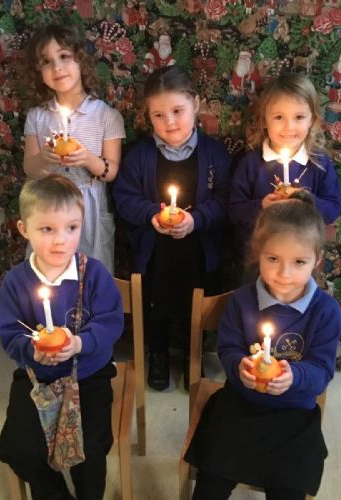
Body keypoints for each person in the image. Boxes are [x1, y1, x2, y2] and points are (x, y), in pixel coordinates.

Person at [185, 192, 341, 500]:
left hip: (293, 415)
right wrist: (239, 367)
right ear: (258, 253)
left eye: (299, 262)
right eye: (273, 259)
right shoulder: (241, 301)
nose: (284, 273)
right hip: (239, 407)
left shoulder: (325, 311)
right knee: (209, 486)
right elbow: (229, 349)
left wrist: (294, 377)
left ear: (318, 260)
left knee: (289, 490)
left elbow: (321, 371)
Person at [0, 174, 124, 500]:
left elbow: (111, 322)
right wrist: (33, 350)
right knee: (20, 449)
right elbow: (10, 334)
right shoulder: (15, 282)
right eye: (47, 229)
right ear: (24, 229)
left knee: (90, 450)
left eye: (72, 228)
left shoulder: (94, 274)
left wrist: (79, 343)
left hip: (90, 375)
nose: (61, 241)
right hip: (36, 376)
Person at [113, 65, 231, 391]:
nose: (170, 122)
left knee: (196, 302)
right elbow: (124, 198)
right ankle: (159, 353)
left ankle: (194, 354)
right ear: (148, 117)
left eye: (178, 111)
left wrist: (197, 219)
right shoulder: (139, 157)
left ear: (196, 104)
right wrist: (153, 214)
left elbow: (225, 200)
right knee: (156, 303)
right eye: (159, 115)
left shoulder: (215, 155)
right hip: (156, 252)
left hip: (198, 251)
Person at [23, 24, 125, 273]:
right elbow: (29, 168)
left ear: (80, 60)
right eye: (46, 62)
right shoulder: (37, 116)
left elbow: (111, 171)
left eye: (64, 56)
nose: (57, 67)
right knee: (50, 272)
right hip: (49, 205)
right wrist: (44, 158)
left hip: (88, 207)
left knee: (90, 275)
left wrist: (88, 159)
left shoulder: (106, 116)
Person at [229, 73, 341, 279]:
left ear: (312, 120)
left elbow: (333, 209)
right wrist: (262, 206)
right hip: (256, 260)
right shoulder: (251, 163)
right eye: (279, 117)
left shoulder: (319, 163)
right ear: (265, 120)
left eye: (299, 117)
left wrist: (307, 201)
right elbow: (234, 211)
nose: (289, 127)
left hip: (300, 261)